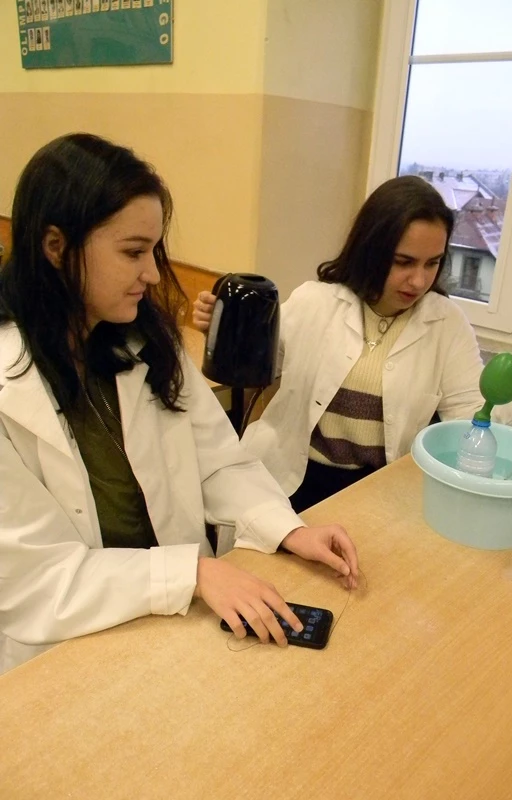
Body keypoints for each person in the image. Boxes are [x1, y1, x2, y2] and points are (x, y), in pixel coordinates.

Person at [0, 133, 359, 674]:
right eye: (132, 252)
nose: (151, 272)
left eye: (153, 250)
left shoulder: (145, 344)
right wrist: (191, 573)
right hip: (68, 647)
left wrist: (288, 529)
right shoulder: (11, 389)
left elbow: (217, 461)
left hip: (175, 621)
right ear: (56, 247)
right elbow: (38, 579)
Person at [194, 176, 512, 512]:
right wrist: (223, 328)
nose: (419, 281)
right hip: (292, 483)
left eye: (432, 263)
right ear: (370, 250)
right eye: (404, 262)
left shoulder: (446, 325)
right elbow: (255, 367)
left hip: (380, 491)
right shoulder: (314, 302)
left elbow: (479, 424)